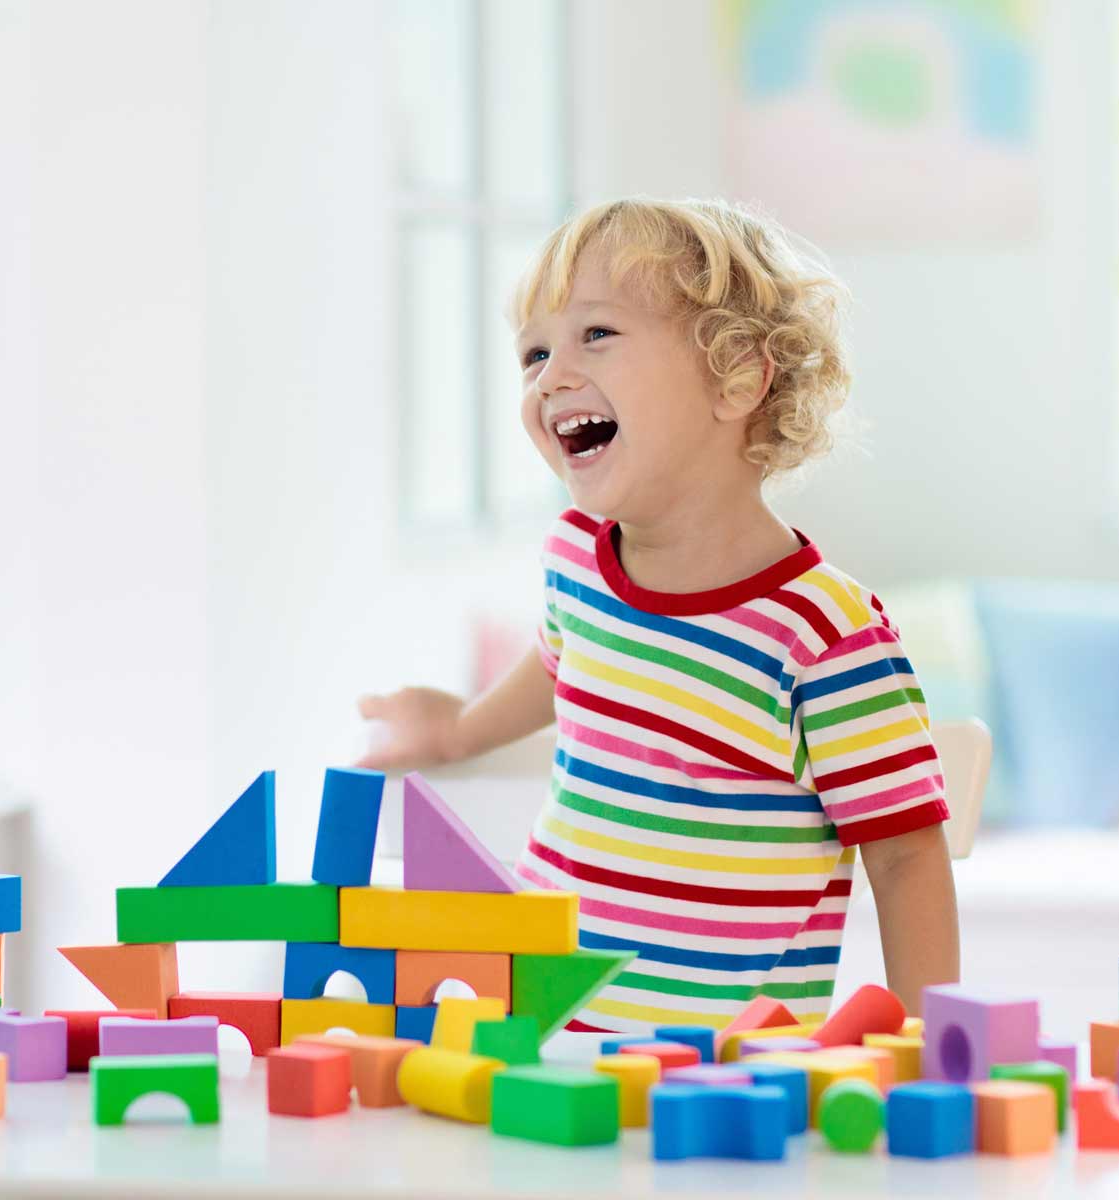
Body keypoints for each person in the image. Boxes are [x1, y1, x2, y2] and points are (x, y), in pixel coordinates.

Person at [356, 197, 957, 1032]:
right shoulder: (578, 559)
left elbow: (904, 857)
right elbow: (567, 661)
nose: (550, 376)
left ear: (738, 375)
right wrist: (461, 728)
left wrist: (932, 1051)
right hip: (534, 1029)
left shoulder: (823, 636)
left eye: (595, 334)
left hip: (716, 1078)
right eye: (534, 352)